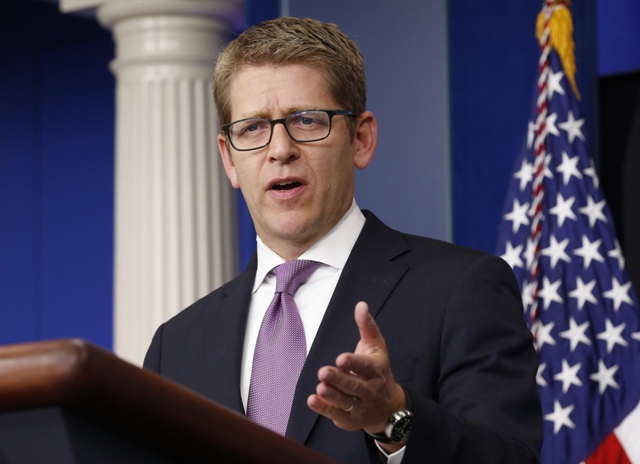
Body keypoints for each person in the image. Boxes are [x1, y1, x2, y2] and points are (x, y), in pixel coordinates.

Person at [143, 16, 542, 464]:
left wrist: (395, 418)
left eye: (307, 120)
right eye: (253, 128)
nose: (280, 149)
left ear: (361, 139)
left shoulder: (459, 290)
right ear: (229, 160)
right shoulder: (174, 346)